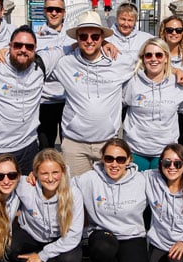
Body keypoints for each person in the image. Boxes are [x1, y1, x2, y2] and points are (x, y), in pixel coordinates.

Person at [50, 10, 133, 176]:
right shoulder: (65, 63)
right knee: (77, 193)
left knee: (106, 195)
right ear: (77, 39)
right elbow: (34, 63)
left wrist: (174, 70)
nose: (89, 41)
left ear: (102, 38)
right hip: (75, 144)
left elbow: (152, 64)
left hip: (108, 143)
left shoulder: (119, 62)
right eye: (83, 37)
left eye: (95, 37)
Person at [72, 138, 148, 262]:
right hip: (103, 234)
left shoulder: (142, 180)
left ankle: (120, 256)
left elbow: (171, 179)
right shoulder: (90, 179)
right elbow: (60, 183)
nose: (114, 164)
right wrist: (34, 178)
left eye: (120, 159)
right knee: (104, 247)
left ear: (128, 160)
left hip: (131, 235)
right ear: (102, 159)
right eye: (109, 158)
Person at [0, 24, 64, 175]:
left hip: (29, 147)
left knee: (27, 194)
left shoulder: (41, 64)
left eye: (29, 46)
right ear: (9, 46)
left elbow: (67, 47)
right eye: (18, 45)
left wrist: (105, 42)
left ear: (35, 49)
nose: (23, 49)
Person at [7, 149, 84, 262]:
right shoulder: (25, 185)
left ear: (63, 171)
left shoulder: (74, 194)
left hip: (58, 236)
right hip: (32, 233)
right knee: (7, 246)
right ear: (35, 173)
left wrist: (42, 256)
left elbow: (73, 236)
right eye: (44, 173)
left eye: (55, 172)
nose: (50, 178)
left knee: (71, 259)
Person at [122, 38, 183, 171]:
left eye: (159, 55)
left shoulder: (178, 84)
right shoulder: (132, 82)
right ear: (143, 58)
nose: (153, 59)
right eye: (148, 55)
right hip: (135, 150)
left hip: (165, 152)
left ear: (166, 58)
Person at [36, 0, 69, 149]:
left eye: (58, 10)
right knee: (45, 148)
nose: (54, 13)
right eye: (50, 9)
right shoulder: (35, 37)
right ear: (45, 12)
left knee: (69, 149)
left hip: (68, 101)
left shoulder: (73, 36)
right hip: (44, 101)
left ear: (64, 12)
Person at [159, 16, 183, 148]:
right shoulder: (156, 54)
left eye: (178, 30)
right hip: (165, 112)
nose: (174, 33)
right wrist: (175, 70)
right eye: (170, 30)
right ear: (164, 32)